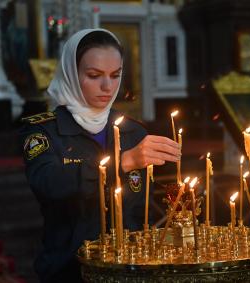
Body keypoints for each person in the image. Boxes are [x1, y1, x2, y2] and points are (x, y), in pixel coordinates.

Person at [20, 29, 181, 283]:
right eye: (94, 75)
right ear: (72, 73)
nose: (108, 87)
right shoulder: (44, 130)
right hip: (70, 269)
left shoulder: (133, 130)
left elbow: (143, 210)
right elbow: (48, 183)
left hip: (132, 271)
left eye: (115, 75)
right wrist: (122, 162)